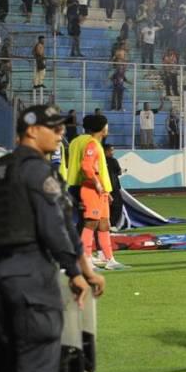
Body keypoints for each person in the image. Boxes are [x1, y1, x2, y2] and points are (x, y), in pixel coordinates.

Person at [0, 104, 104, 372]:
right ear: (32, 131)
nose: (61, 133)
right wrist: (77, 272)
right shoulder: (37, 171)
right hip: (30, 280)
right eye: (55, 128)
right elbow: (56, 226)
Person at [68, 114, 125, 270]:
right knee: (88, 223)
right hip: (88, 186)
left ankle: (103, 256)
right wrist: (98, 184)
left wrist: (105, 189)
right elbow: (87, 166)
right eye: (106, 125)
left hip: (79, 184)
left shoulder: (75, 141)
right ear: (101, 127)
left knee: (100, 223)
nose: (108, 127)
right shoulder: (92, 143)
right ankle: (84, 258)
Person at [104, 143, 125, 229]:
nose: (113, 152)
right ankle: (112, 225)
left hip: (104, 187)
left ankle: (105, 224)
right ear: (106, 151)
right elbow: (119, 172)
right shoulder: (113, 161)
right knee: (117, 206)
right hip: (113, 187)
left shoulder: (99, 160)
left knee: (106, 207)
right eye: (111, 150)